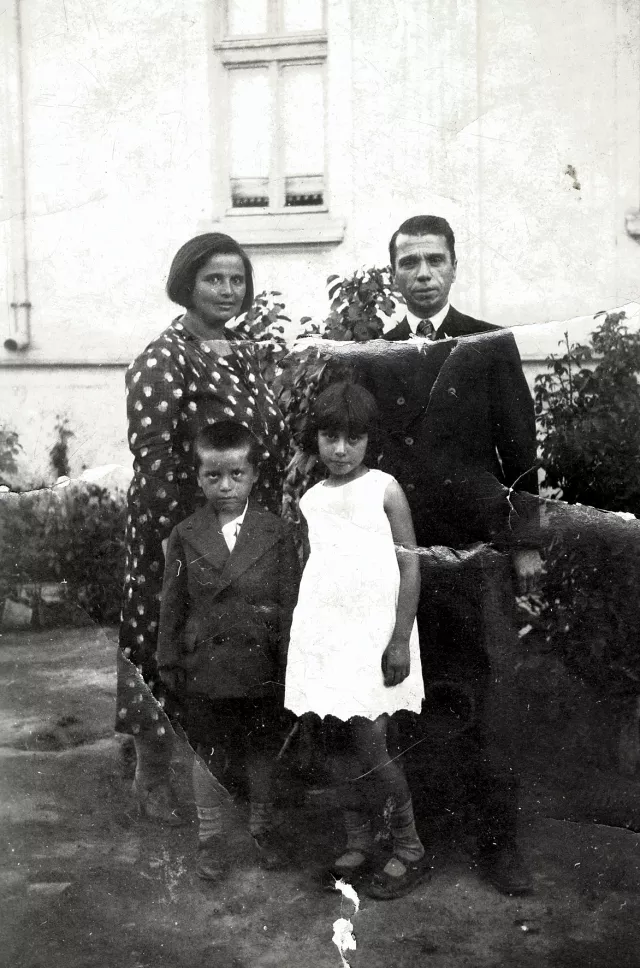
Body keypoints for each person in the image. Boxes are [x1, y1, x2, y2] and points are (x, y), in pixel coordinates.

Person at [339, 215, 542, 895]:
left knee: (490, 697)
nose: (422, 274)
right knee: (409, 698)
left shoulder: (489, 344)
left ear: (453, 267)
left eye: (434, 261)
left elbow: (519, 451)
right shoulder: (377, 354)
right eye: (409, 263)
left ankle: (499, 846)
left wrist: (526, 547)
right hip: (405, 560)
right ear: (392, 274)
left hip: (478, 552)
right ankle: (420, 844)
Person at [117, 233, 289, 824]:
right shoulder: (163, 357)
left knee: (230, 639)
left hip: (242, 522)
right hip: (179, 527)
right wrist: (181, 540)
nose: (228, 290)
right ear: (187, 282)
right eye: (215, 279)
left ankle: (219, 769)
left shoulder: (240, 349)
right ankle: (151, 772)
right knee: (162, 635)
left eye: (237, 279)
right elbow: (156, 457)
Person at [284, 381, 430, 901]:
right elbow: (318, 572)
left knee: (373, 743)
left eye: (352, 438)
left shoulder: (385, 489)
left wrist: (399, 640)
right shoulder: (311, 499)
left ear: (370, 439)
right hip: (327, 636)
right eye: (329, 437)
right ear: (316, 438)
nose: (340, 450)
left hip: (375, 638)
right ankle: (358, 841)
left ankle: (409, 847)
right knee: (336, 743)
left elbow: (410, 563)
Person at [156, 422, 299, 879]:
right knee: (208, 753)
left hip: (260, 665)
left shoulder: (275, 533)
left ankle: (264, 829)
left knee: (262, 751)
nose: (225, 486)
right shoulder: (186, 533)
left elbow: (289, 603)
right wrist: (167, 658)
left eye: (236, 474)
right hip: (207, 667)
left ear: (254, 474)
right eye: (213, 476)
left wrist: (290, 663)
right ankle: (211, 839)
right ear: (198, 477)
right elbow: (172, 603)